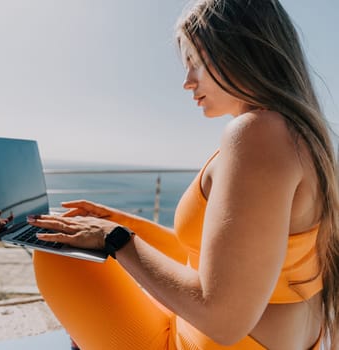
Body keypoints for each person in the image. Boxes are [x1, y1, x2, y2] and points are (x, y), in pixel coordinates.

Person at [28, 0, 339, 348]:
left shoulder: (257, 134)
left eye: (196, 62)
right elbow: (220, 259)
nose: (187, 82)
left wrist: (115, 239)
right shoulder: (299, 135)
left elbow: (223, 319)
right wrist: (118, 224)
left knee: (54, 250)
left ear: (241, 50)